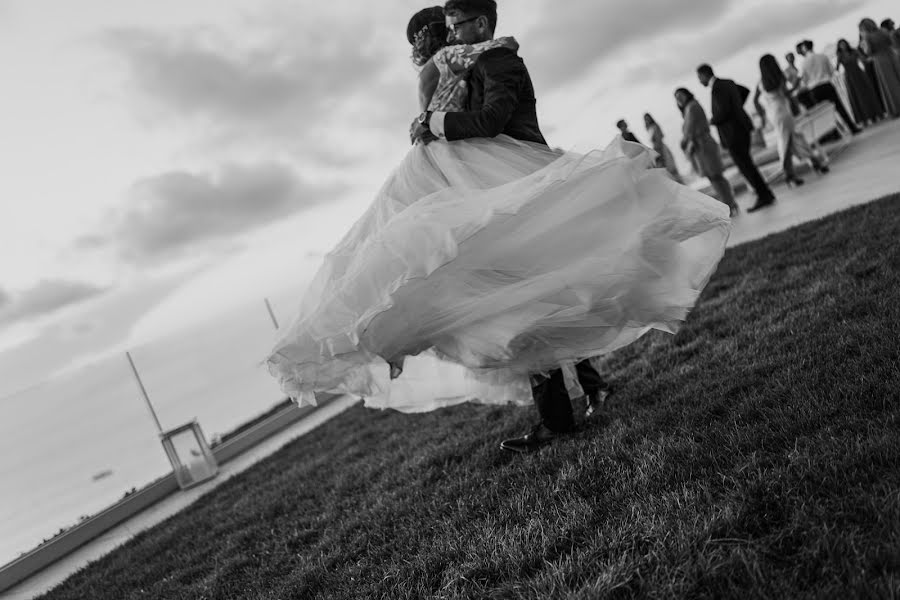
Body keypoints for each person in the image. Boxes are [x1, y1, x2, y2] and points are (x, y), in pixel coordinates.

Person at [267, 2, 732, 454]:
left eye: (455, 27)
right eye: (446, 31)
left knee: (531, 295)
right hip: (497, 182)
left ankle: (564, 414)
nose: (450, 38)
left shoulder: (492, 61)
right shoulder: (467, 66)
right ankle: (576, 401)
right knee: (531, 296)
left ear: (474, 24)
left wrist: (434, 122)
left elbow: (488, 122)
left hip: (511, 181)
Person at [697, 63, 776, 212]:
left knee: (746, 166)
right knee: (748, 164)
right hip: (742, 128)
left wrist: (713, 120)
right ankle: (765, 193)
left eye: (699, 77)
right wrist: (737, 107)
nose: (700, 81)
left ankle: (764, 195)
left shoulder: (717, 88)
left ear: (704, 74)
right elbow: (744, 91)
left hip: (732, 133)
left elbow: (724, 111)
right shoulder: (727, 82)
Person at [753, 54, 829, 188]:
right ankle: (802, 169)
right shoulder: (778, 77)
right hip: (784, 111)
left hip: (773, 114)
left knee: (791, 140)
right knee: (790, 141)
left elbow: (755, 101)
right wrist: (797, 84)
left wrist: (763, 115)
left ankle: (801, 170)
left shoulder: (761, 82)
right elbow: (787, 94)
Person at [675, 88, 739, 217]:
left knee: (716, 176)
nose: (679, 99)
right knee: (714, 176)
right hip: (700, 146)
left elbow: (689, 130)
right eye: (676, 98)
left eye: (680, 95)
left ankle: (729, 204)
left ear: (687, 94)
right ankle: (729, 203)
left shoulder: (692, 106)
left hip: (704, 145)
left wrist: (684, 141)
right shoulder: (689, 108)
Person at [798, 40, 862, 134]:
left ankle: (835, 134)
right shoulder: (823, 57)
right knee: (839, 108)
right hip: (827, 85)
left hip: (814, 89)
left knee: (823, 114)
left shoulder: (804, 63)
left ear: (804, 49)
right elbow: (831, 71)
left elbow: (804, 79)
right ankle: (852, 128)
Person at [835, 38, 885, 125]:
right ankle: (864, 119)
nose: (843, 46)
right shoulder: (840, 55)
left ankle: (876, 114)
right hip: (850, 77)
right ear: (839, 47)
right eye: (841, 45)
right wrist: (838, 60)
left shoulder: (854, 51)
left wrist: (869, 59)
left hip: (859, 74)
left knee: (868, 94)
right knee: (856, 97)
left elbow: (863, 59)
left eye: (844, 44)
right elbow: (837, 68)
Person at [860, 18, 900, 117]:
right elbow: (891, 43)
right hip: (891, 55)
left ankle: (896, 108)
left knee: (890, 84)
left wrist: (864, 43)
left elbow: (869, 52)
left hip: (880, 60)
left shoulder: (868, 37)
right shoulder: (883, 31)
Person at [642, 113, 683, 183]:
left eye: (648, 118)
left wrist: (658, 148)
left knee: (669, 167)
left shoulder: (655, 126)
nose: (647, 120)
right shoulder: (649, 129)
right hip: (656, 149)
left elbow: (660, 136)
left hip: (661, 148)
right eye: (646, 119)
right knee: (663, 168)